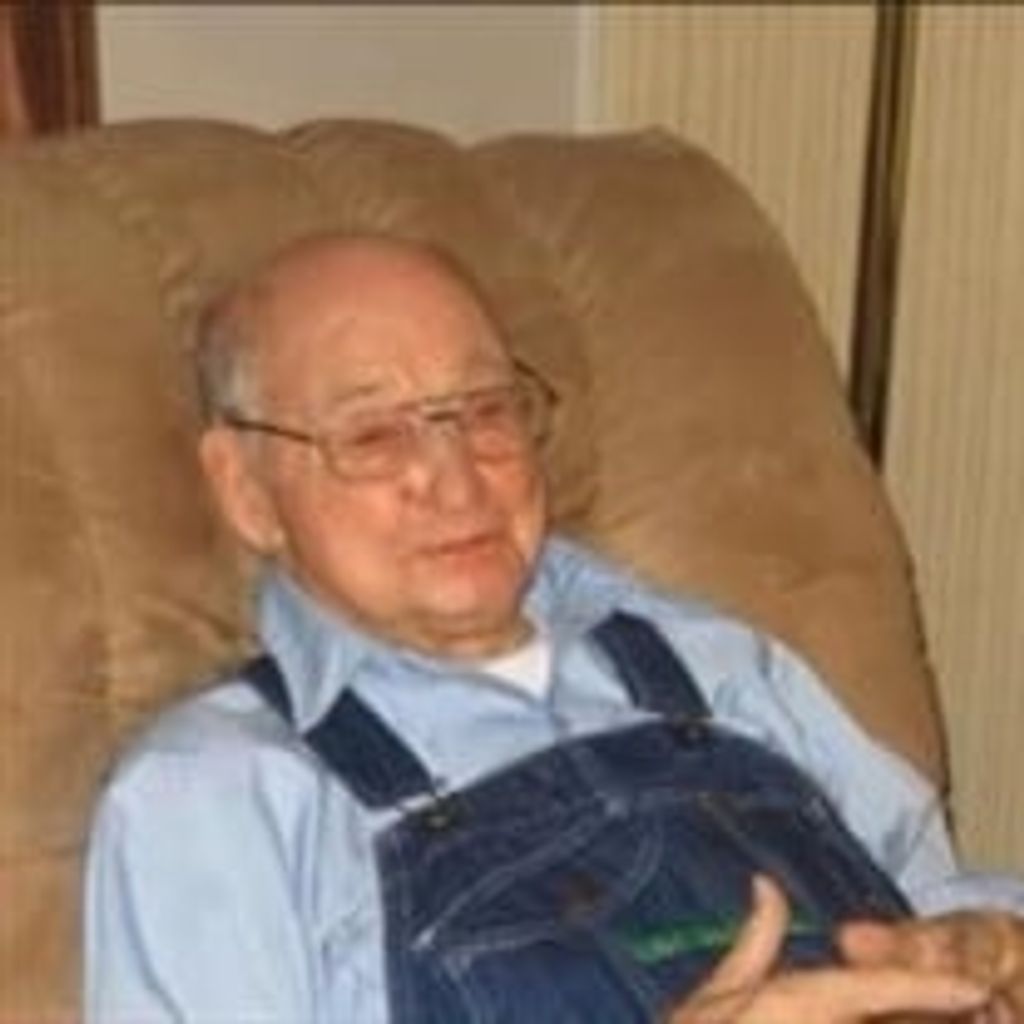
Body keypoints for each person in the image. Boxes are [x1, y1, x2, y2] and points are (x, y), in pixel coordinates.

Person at [84, 232, 1024, 1023]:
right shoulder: (216, 791)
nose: (458, 479)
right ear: (247, 491)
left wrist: (988, 948)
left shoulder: (710, 661)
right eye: (374, 435)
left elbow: (935, 886)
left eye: (485, 410)